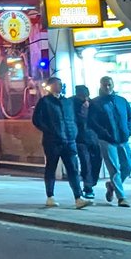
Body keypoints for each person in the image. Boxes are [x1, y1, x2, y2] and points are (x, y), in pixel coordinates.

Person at [31, 78, 91, 210]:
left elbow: (73, 118)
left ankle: (78, 197)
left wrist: (73, 131)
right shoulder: (45, 102)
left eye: (61, 84)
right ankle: (50, 196)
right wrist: (50, 130)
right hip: (53, 141)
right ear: (51, 86)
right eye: (57, 84)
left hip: (69, 140)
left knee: (73, 169)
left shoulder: (67, 102)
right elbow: (36, 120)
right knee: (51, 168)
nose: (60, 86)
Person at [92, 76, 131, 205]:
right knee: (114, 169)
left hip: (122, 139)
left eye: (109, 84)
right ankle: (121, 197)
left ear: (113, 85)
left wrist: (128, 130)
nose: (107, 87)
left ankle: (112, 185)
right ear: (100, 85)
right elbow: (93, 122)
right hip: (107, 140)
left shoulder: (121, 101)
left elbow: (130, 117)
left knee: (128, 166)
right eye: (105, 85)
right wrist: (104, 133)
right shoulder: (96, 103)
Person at [73, 84, 101, 202]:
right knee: (85, 162)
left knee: (97, 161)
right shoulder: (72, 104)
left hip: (94, 137)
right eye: (82, 95)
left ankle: (91, 182)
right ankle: (88, 187)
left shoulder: (93, 104)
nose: (84, 98)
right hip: (80, 138)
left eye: (86, 95)